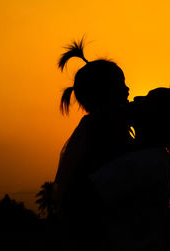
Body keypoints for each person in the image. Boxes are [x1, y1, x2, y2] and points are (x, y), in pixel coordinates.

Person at [90, 87, 170, 250]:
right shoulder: (152, 160)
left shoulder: (143, 164)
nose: (137, 98)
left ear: (156, 120)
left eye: (146, 100)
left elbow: (80, 198)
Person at [53, 38, 133, 250]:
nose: (127, 89)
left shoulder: (97, 125)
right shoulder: (104, 126)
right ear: (105, 92)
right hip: (97, 227)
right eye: (121, 84)